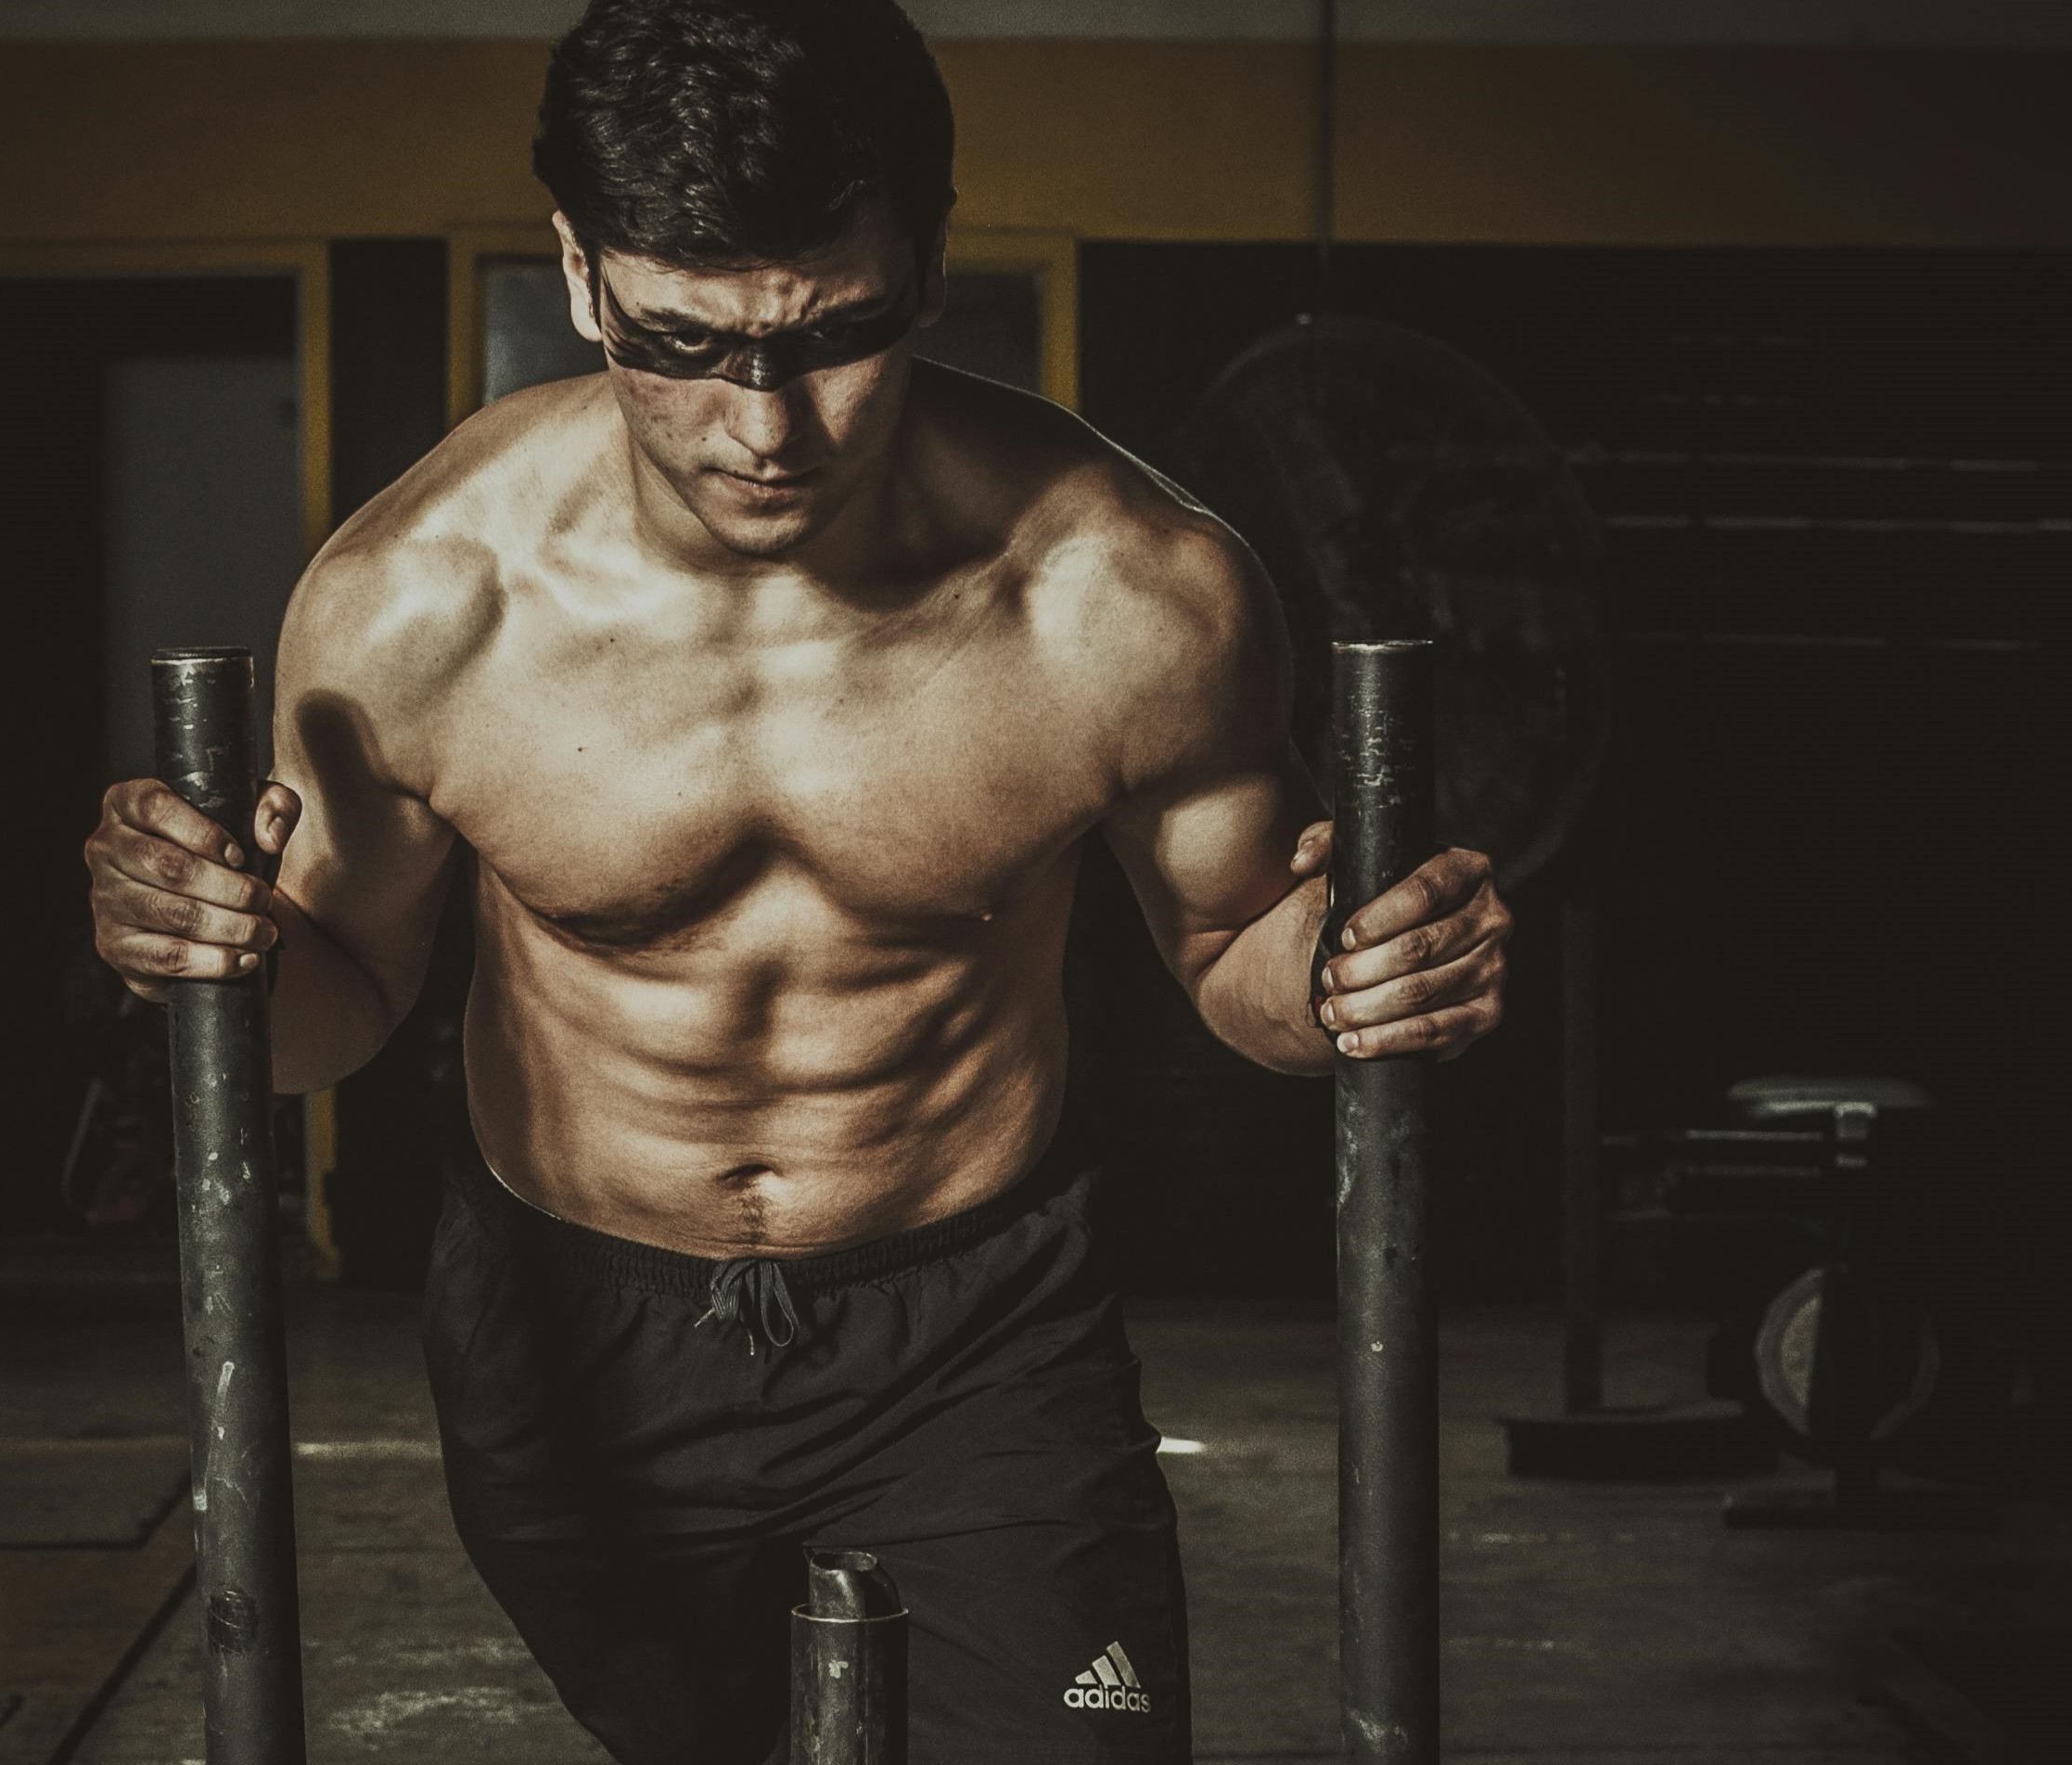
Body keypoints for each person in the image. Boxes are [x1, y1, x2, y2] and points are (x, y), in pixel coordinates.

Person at [84, 2, 1510, 1759]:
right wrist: (199, 960)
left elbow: (1234, 950)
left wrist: (1352, 982)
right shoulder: (419, 606)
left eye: (833, 336)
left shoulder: (1125, 596)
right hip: (577, 1337)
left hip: (978, 1331)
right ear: (585, 277)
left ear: (924, 267)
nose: (763, 427)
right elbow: (335, 1016)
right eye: (684, 343)